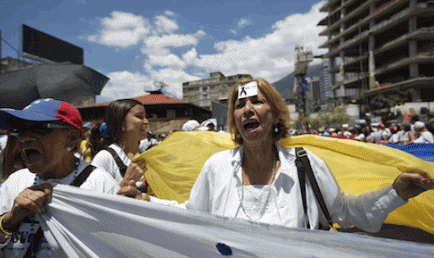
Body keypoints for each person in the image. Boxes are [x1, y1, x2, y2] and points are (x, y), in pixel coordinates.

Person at [145, 78, 433, 233]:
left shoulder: (304, 164)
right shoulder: (217, 167)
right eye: (239, 104)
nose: (247, 109)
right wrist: (145, 202)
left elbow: (344, 212)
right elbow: (191, 215)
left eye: (257, 101)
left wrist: (396, 193)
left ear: (275, 114)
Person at [0, 99, 139, 258]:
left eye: (40, 129)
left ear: (72, 137)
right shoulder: (15, 183)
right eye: (21, 130)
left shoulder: (99, 183)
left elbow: (122, 257)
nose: (25, 138)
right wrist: (8, 221)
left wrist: (126, 217)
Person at [90, 99, 148, 190]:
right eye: (139, 116)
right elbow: (97, 199)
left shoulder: (146, 155)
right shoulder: (105, 158)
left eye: (145, 117)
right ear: (121, 122)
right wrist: (127, 181)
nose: (146, 122)